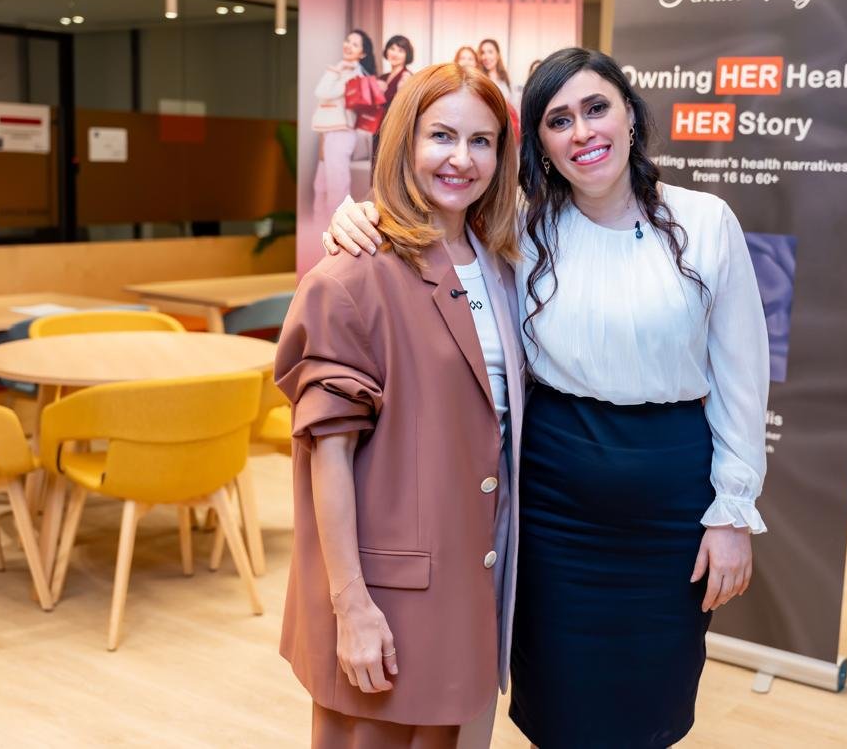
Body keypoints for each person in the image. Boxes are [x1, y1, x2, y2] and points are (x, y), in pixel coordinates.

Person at [324, 47, 770, 749]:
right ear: (540, 144)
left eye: (597, 108)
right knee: (560, 705)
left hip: (670, 508)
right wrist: (354, 218)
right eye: (559, 120)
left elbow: (744, 377)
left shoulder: (705, 221)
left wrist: (733, 513)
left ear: (630, 115)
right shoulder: (519, 231)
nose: (582, 132)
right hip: (553, 509)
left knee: (651, 703)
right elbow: (427, 230)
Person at [276, 62, 527, 749]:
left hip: (473, 580)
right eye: (441, 135)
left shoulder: (505, 265)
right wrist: (351, 606)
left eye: (481, 141)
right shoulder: (352, 274)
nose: (461, 158)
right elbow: (327, 458)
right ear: (403, 143)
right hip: (387, 597)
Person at [310, 29, 375, 215]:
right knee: (321, 186)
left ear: (362, 53)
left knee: (337, 187)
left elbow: (322, 92)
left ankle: (336, 229)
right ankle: (318, 228)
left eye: (355, 44)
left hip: (341, 133)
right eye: (348, 41)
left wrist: (337, 71)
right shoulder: (342, 69)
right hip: (328, 131)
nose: (348, 46)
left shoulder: (354, 74)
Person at [373, 35, 415, 157]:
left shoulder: (407, 77)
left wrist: (401, 90)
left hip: (395, 131)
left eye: (400, 50)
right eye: (392, 49)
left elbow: (407, 109)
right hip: (378, 129)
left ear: (407, 55)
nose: (395, 54)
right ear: (387, 51)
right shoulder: (382, 78)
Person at [478, 39, 518, 106]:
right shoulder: (479, 79)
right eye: (483, 53)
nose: (486, 57)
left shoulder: (505, 77)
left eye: (490, 52)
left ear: (498, 54)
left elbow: (513, 104)